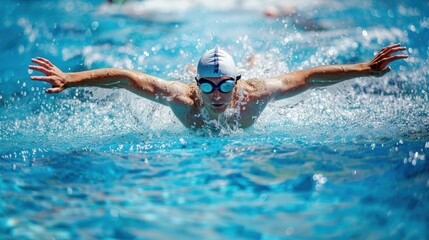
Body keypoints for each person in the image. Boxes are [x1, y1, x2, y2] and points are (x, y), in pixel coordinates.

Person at [29, 44, 408, 129]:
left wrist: (364, 69)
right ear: (196, 85)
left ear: (236, 83)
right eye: (207, 86)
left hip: (256, 78)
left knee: (268, 72)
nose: (216, 95)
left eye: (225, 84)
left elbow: (307, 78)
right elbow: (127, 78)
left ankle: (253, 58)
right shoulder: (182, 99)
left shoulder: (254, 95)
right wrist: (70, 79)